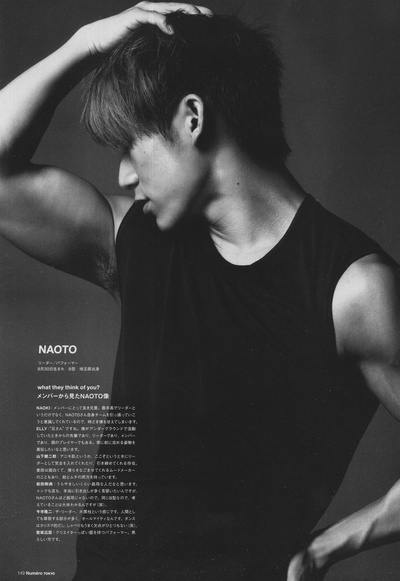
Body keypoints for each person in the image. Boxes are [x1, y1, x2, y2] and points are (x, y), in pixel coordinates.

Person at [1, 2, 400, 579]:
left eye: (131, 145)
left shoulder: (353, 290)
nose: (124, 176)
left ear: (192, 118)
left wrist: (328, 547)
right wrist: (84, 44)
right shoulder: (139, 242)